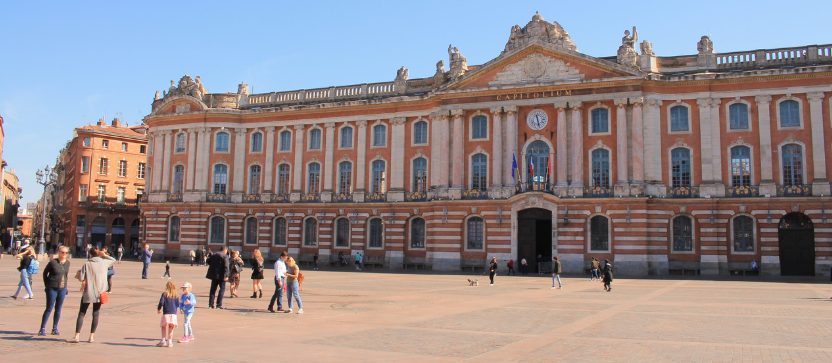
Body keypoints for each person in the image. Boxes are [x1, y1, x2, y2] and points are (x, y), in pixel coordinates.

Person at [67, 246, 116, 343]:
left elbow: (81, 278)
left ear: (90, 254)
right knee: (96, 314)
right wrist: (104, 255)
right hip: (100, 293)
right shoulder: (104, 262)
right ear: (99, 254)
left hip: (88, 292)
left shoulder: (87, 264)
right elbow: (113, 260)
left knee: (82, 313)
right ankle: (91, 337)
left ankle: (77, 336)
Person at [39, 246, 71, 336]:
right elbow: (45, 273)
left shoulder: (68, 263)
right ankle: (42, 328)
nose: (64, 254)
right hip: (52, 288)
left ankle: (55, 328)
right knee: (49, 308)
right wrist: (47, 285)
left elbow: (66, 275)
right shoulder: (53, 262)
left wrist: (65, 287)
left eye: (66, 253)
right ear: (59, 252)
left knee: (58, 309)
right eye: (62, 252)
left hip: (62, 289)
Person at [156, 281, 179, 347]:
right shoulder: (176, 295)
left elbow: (161, 302)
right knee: (171, 328)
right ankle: (170, 341)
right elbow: (178, 304)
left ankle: (163, 340)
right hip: (173, 314)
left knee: (163, 327)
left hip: (166, 313)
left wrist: (159, 308)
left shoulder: (164, 294)